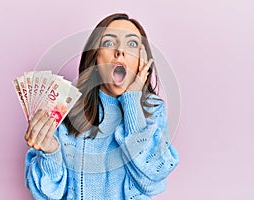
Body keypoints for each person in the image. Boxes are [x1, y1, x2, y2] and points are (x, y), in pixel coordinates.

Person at [24, 13, 179, 200]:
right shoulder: (66, 107)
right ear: (95, 57)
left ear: (142, 60)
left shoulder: (153, 110)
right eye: (108, 43)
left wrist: (132, 99)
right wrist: (50, 153)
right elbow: (47, 194)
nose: (120, 51)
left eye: (131, 44)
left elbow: (151, 179)